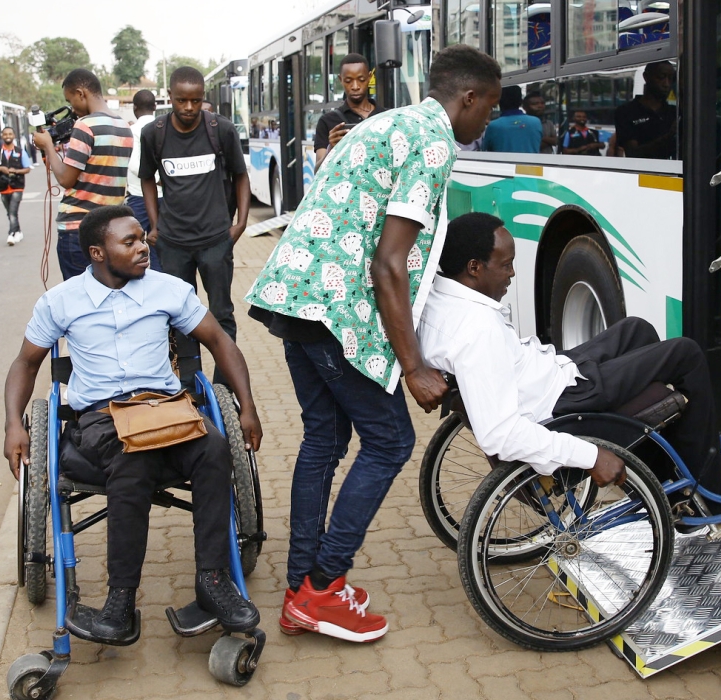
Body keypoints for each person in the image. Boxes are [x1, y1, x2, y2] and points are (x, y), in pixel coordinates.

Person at [245, 43, 501, 643]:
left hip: (296, 296)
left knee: (325, 439)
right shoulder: (433, 140)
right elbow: (390, 263)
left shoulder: (387, 122)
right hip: (333, 307)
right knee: (390, 441)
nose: (485, 122)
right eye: (487, 109)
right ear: (467, 98)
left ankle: (301, 587)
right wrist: (413, 366)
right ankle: (325, 587)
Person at [2, 205, 263, 645]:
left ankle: (213, 581)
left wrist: (248, 406)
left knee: (214, 447)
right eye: (130, 242)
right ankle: (120, 602)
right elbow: (26, 363)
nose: (144, 247)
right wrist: (13, 423)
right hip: (102, 418)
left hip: (166, 409)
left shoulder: (168, 290)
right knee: (132, 457)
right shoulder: (61, 301)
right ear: (97, 253)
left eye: (143, 238)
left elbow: (219, 341)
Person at [419, 213, 721, 506]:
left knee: (637, 330)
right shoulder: (479, 332)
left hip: (547, 376)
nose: (513, 273)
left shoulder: (438, 297)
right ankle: (712, 493)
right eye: (506, 265)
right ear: (474, 267)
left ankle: (662, 481)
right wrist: (591, 455)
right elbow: (501, 436)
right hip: (562, 404)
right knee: (686, 354)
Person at [140, 66, 251, 383]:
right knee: (178, 315)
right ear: (171, 98)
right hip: (173, 243)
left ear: (203, 98)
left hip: (216, 240)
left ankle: (223, 387)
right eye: (181, 101)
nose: (189, 108)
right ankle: (188, 384)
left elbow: (240, 176)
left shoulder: (221, 129)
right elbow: (147, 178)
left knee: (221, 314)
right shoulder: (154, 133)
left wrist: (240, 223)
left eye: (196, 101)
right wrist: (154, 225)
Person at [32, 69, 134, 280]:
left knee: (81, 302)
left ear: (81, 93)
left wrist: (48, 146)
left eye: (71, 101)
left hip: (78, 228)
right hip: (109, 228)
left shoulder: (85, 126)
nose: (73, 109)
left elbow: (65, 179)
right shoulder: (123, 126)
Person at [314, 53, 381, 173]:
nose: (355, 86)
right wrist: (331, 148)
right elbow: (317, 172)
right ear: (340, 80)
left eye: (361, 80)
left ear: (370, 77)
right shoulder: (327, 121)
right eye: (349, 81)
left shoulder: (386, 116)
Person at [125, 90, 163, 271]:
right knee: (159, 245)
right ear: (155, 107)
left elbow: (134, 165)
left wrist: (151, 178)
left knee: (134, 245)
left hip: (139, 198)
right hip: (163, 198)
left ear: (134, 107)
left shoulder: (131, 131)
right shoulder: (163, 127)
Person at [614, 61, 678, 160]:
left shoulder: (674, 112)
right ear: (646, 77)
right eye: (661, 77)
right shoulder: (626, 112)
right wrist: (669, 136)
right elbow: (633, 153)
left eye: (671, 79)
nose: (666, 84)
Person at [0, 127, 32, 246]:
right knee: (10, 212)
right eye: (5, 134)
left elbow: (27, 168)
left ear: (14, 135)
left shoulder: (20, 151)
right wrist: (0, 169)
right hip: (3, 187)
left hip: (17, 186)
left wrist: (16, 171)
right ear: (2, 136)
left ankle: (11, 234)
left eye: (10, 134)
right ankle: (18, 231)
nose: (7, 136)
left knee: (13, 211)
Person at [482, 85, 542, 154]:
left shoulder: (493, 126)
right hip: (532, 164)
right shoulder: (536, 122)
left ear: (499, 101)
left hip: (503, 165)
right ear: (521, 102)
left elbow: (485, 151)